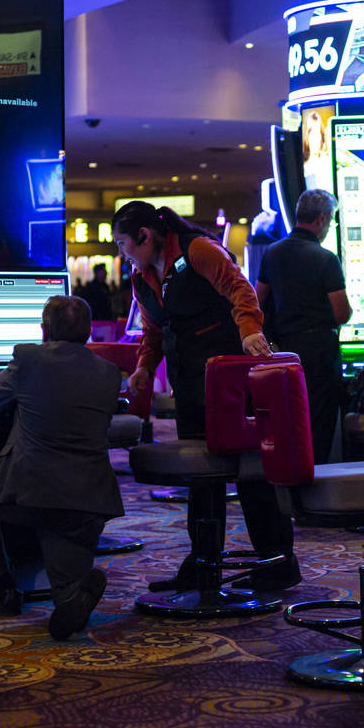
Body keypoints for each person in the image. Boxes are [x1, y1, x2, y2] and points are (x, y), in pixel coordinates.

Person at [111, 201, 298, 591]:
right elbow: (154, 330)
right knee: (201, 475)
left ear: (146, 235)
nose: (121, 251)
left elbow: (241, 291)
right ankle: (203, 560)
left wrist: (249, 331)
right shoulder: (142, 275)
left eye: (124, 242)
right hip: (191, 383)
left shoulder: (198, 250)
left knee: (250, 473)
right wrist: (145, 366)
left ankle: (278, 561)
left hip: (232, 379)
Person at [0, 296, 120, 640]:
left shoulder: (28, 358)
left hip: (28, 496)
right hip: (87, 503)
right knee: (66, 591)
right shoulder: (109, 374)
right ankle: (71, 596)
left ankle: (3, 583)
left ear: (44, 331)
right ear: (90, 332)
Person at [255, 189, 351, 464]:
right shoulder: (325, 258)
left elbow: (258, 299)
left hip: (283, 350)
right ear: (321, 218)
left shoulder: (273, 253)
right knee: (318, 422)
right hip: (318, 350)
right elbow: (341, 313)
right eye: (331, 220)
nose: (329, 226)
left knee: (289, 417)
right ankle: (316, 481)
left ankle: (290, 479)